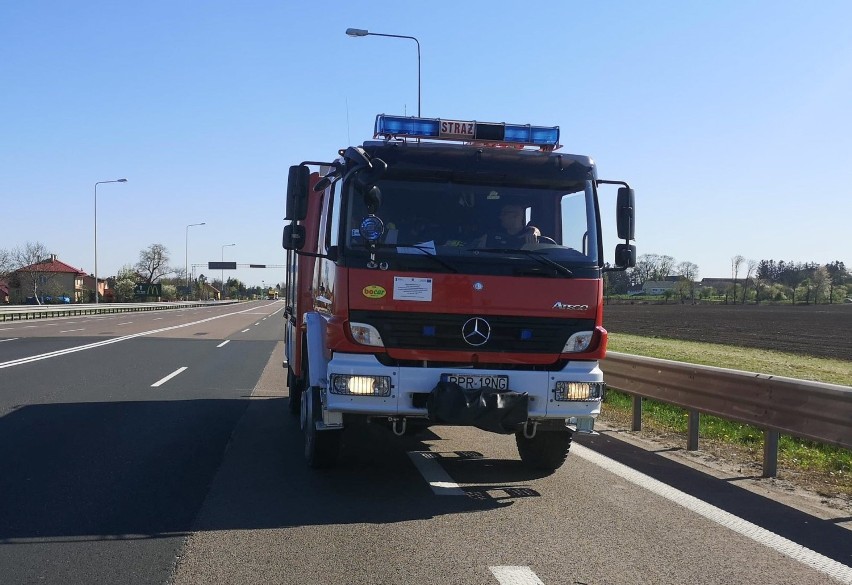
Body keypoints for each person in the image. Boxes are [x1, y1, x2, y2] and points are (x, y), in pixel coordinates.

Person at [475, 203, 541, 248]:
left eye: (504, 213)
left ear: (516, 215)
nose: (500, 217)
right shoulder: (492, 235)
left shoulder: (529, 234)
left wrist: (535, 233)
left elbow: (536, 232)